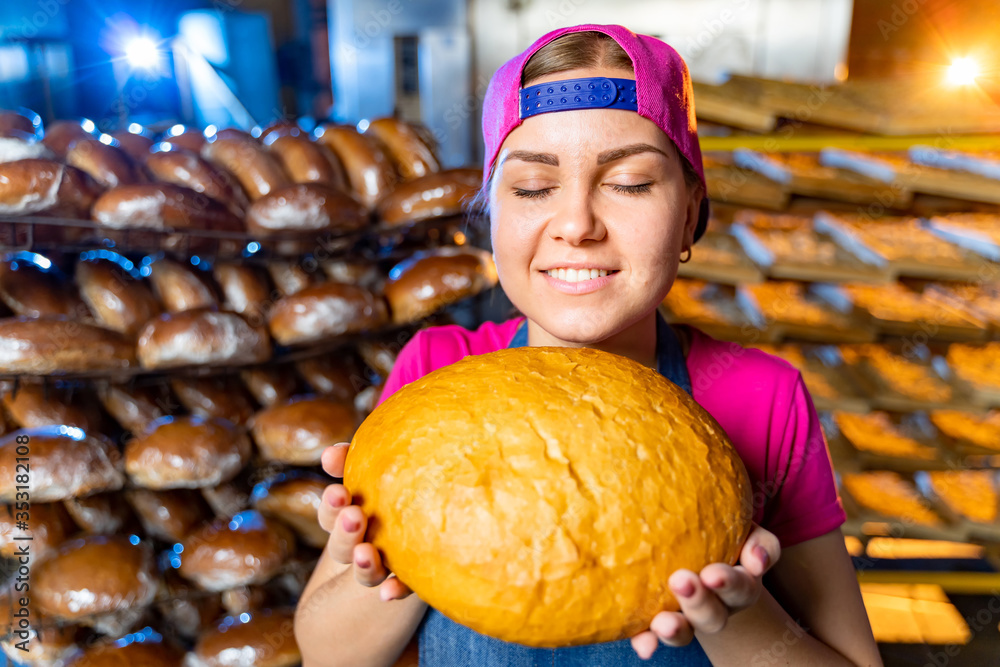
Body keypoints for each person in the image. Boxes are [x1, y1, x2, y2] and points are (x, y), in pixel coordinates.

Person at [295, 24, 882, 667]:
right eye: (532, 188)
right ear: (494, 214)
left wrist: (732, 615)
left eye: (629, 182)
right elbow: (329, 654)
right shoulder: (433, 374)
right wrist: (399, 541)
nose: (576, 225)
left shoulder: (761, 395)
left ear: (689, 213)